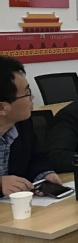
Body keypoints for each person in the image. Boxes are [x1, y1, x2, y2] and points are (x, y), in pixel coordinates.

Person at [0, 56, 62, 196]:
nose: (32, 97)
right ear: (2, 108)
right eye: (27, 93)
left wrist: (44, 175)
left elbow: (36, 158)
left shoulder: (22, 123)